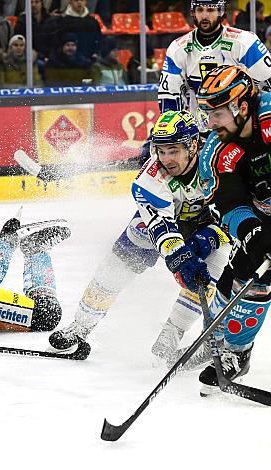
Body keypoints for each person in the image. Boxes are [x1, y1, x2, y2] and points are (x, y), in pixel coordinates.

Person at [49, 110, 232, 366]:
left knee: (217, 258)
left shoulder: (217, 161)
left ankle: (171, 335)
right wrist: (180, 259)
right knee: (119, 263)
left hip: (204, 224)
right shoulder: (148, 180)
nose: (166, 159)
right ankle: (80, 326)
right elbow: (162, 227)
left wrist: (209, 238)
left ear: (193, 145)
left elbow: (234, 210)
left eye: (173, 151)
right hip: (160, 225)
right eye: (161, 151)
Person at [195, 65, 271, 394]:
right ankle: (224, 341)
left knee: (261, 276)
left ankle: (236, 350)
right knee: (247, 264)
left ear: (241, 107)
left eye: (217, 114)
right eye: (207, 114)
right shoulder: (217, 151)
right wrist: (251, 231)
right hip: (262, 212)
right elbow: (228, 202)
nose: (210, 123)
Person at [159, 0, 271, 115]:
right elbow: (169, 96)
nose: (204, 15)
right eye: (200, 10)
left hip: (241, 128)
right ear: (193, 12)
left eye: (211, 10)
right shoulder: (178, 48)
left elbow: (268, 85)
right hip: (199, 128)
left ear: (221, 12)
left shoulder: (246, 42)